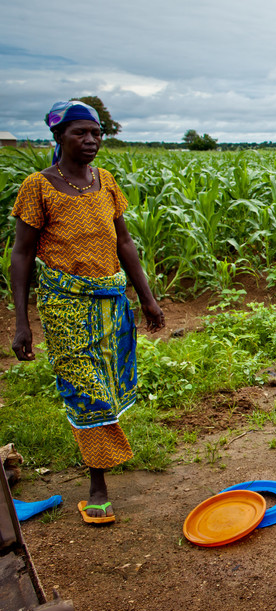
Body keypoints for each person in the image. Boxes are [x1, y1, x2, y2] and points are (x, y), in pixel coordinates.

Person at [10, 100, 165, 524]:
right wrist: (22, 322)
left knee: (108, 384)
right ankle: (98, 487)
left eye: (96, 133)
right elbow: (21, 255)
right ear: (59, 137)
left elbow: (125, 243)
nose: (92, 141)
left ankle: (102, 458)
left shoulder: (106, 181)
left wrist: (147, 297)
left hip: (111, 301)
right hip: (64, 304)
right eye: (81, 133)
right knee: (87, 389)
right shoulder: (38, 186)